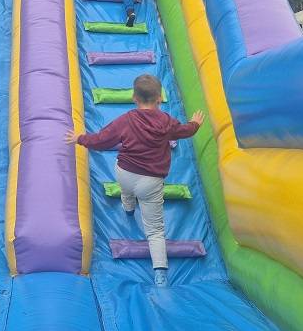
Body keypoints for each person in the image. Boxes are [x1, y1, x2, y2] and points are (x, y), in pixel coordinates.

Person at [64, 75, 205, 287]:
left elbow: (102, 140)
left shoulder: (126, 120)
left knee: (127, 190)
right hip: (151, 181)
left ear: (134, 98)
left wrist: (80, 138)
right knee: (155, 230)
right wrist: (195, 124)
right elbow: (184, 131)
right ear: (159, 98)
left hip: (126, 173)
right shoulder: (166, 121)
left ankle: (128, 208)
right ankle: (160, 273)